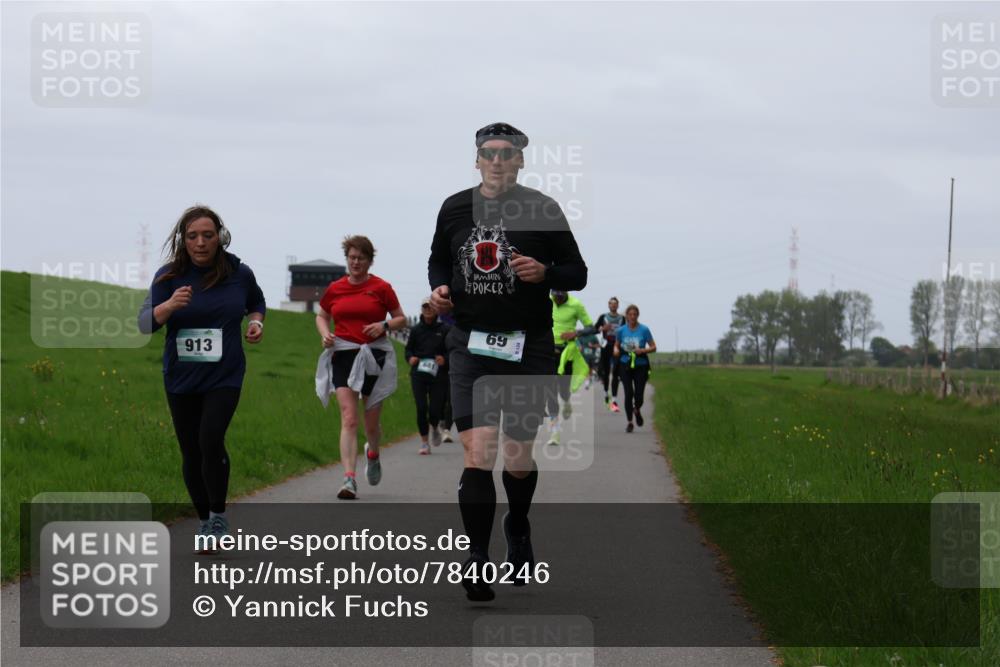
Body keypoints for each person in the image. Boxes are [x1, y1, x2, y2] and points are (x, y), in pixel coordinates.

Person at [428, 122, 587, 601]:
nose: (497, 160)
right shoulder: (454, 207)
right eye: (488, 153)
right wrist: (439, 288)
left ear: (520, 160)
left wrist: (545, 272)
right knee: (479, 454)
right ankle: (477, 559)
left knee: (517, 458)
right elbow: (438, 259)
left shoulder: (543, 208)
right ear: (476, 160)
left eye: (506, 153)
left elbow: (577, 273)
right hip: (470, 345)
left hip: (529, 347)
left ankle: (517, 525)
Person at [138, 205, 265, 548]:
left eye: (207, 235)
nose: (200, 242)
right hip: (181, 377)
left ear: (220, 237)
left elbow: (257, 301)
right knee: (191, 451)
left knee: (210, 439)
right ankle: (205, 520)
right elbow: (144, 324)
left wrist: (256, 321)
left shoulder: (239, 273)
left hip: (225, 374)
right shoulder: (169, 277)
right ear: (183, 240)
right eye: (193, 236)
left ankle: (219, 517)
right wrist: (169, 306)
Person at [315, 235, 406, 499]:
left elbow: (400, 318)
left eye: (361, 258)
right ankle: (349, 479)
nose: (355, 262)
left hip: (373, 356)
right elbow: (322, 315)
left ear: (369, 261)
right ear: (347, 259)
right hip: (343, 354)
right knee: (349, 417)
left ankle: (373, 452)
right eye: (351, 257)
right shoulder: (336, 288)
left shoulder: (381, 287)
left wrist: (384, 325)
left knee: (371, 423)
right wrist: (325, 334)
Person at [547, 289, 597, 445]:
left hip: (566, 352)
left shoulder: (576, 305)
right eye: (555, 297)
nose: (557, 301)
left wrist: (575, 333)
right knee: (550, 391)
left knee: (563, 389)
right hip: (547, 349)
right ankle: (555, 431)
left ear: (565, 294)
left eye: (560, 298)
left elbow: (591, 327)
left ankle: (567, 400)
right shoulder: (546, 301)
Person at [405, 297, 450, 455]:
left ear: (436, 309)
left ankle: (434, 426)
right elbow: (408, 350)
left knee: (435, 409)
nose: (427, 310)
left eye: (430, 307)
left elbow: (451, 351)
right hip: (419, 372)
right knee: (421, 407)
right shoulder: (416, 330)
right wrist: (410, 358)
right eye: (425, 307)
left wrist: (444, 359)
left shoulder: (444, 329)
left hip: (438, 374)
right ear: (421, 310)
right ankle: (424, 443)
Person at [613, 304, 657, 433]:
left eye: (635, 314)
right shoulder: (621, 330)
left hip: (641, 364)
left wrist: (642, 350)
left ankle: (636, 409)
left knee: (639, 395)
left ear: (637, 315)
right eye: (630, 314)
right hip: (625, 363)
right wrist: (616, 350)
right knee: (628, 393)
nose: (632, 317)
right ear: (626, 316)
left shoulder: (644, 330)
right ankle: (630, 422)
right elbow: (616, 345)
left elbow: (654, 347)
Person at [595, 297, 625, 411]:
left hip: (617, 346)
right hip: (606, 346)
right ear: (608, 305)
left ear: (618, 306)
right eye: (611, 304)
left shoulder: (622, 318)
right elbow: (595, 328)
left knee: (616, 373)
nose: (613, 306)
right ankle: (606, 393)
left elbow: (626, 331)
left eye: (615, 304)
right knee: (606, 372)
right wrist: (602, 328)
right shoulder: (603, 317)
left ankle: (614, 400)